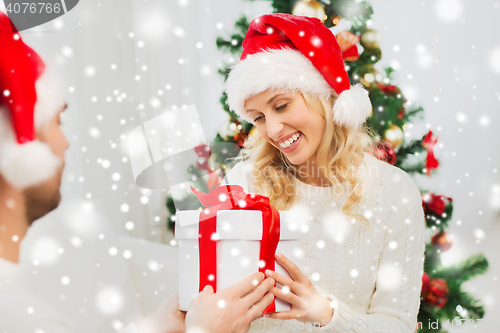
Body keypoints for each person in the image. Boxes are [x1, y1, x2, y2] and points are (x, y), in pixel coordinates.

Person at [0, 11, 274, 333]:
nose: (66, 143)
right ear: (21, 150)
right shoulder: (23, 317)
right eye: (56, 122)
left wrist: (153, 327)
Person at [221, 13, 426, 332]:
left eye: (281, 106)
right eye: (258, 117)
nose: (272, 129)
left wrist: (327, 315)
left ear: (324, 97)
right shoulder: (243, 184)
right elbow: (218, 302)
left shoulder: (394, 192)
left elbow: (397, 324)